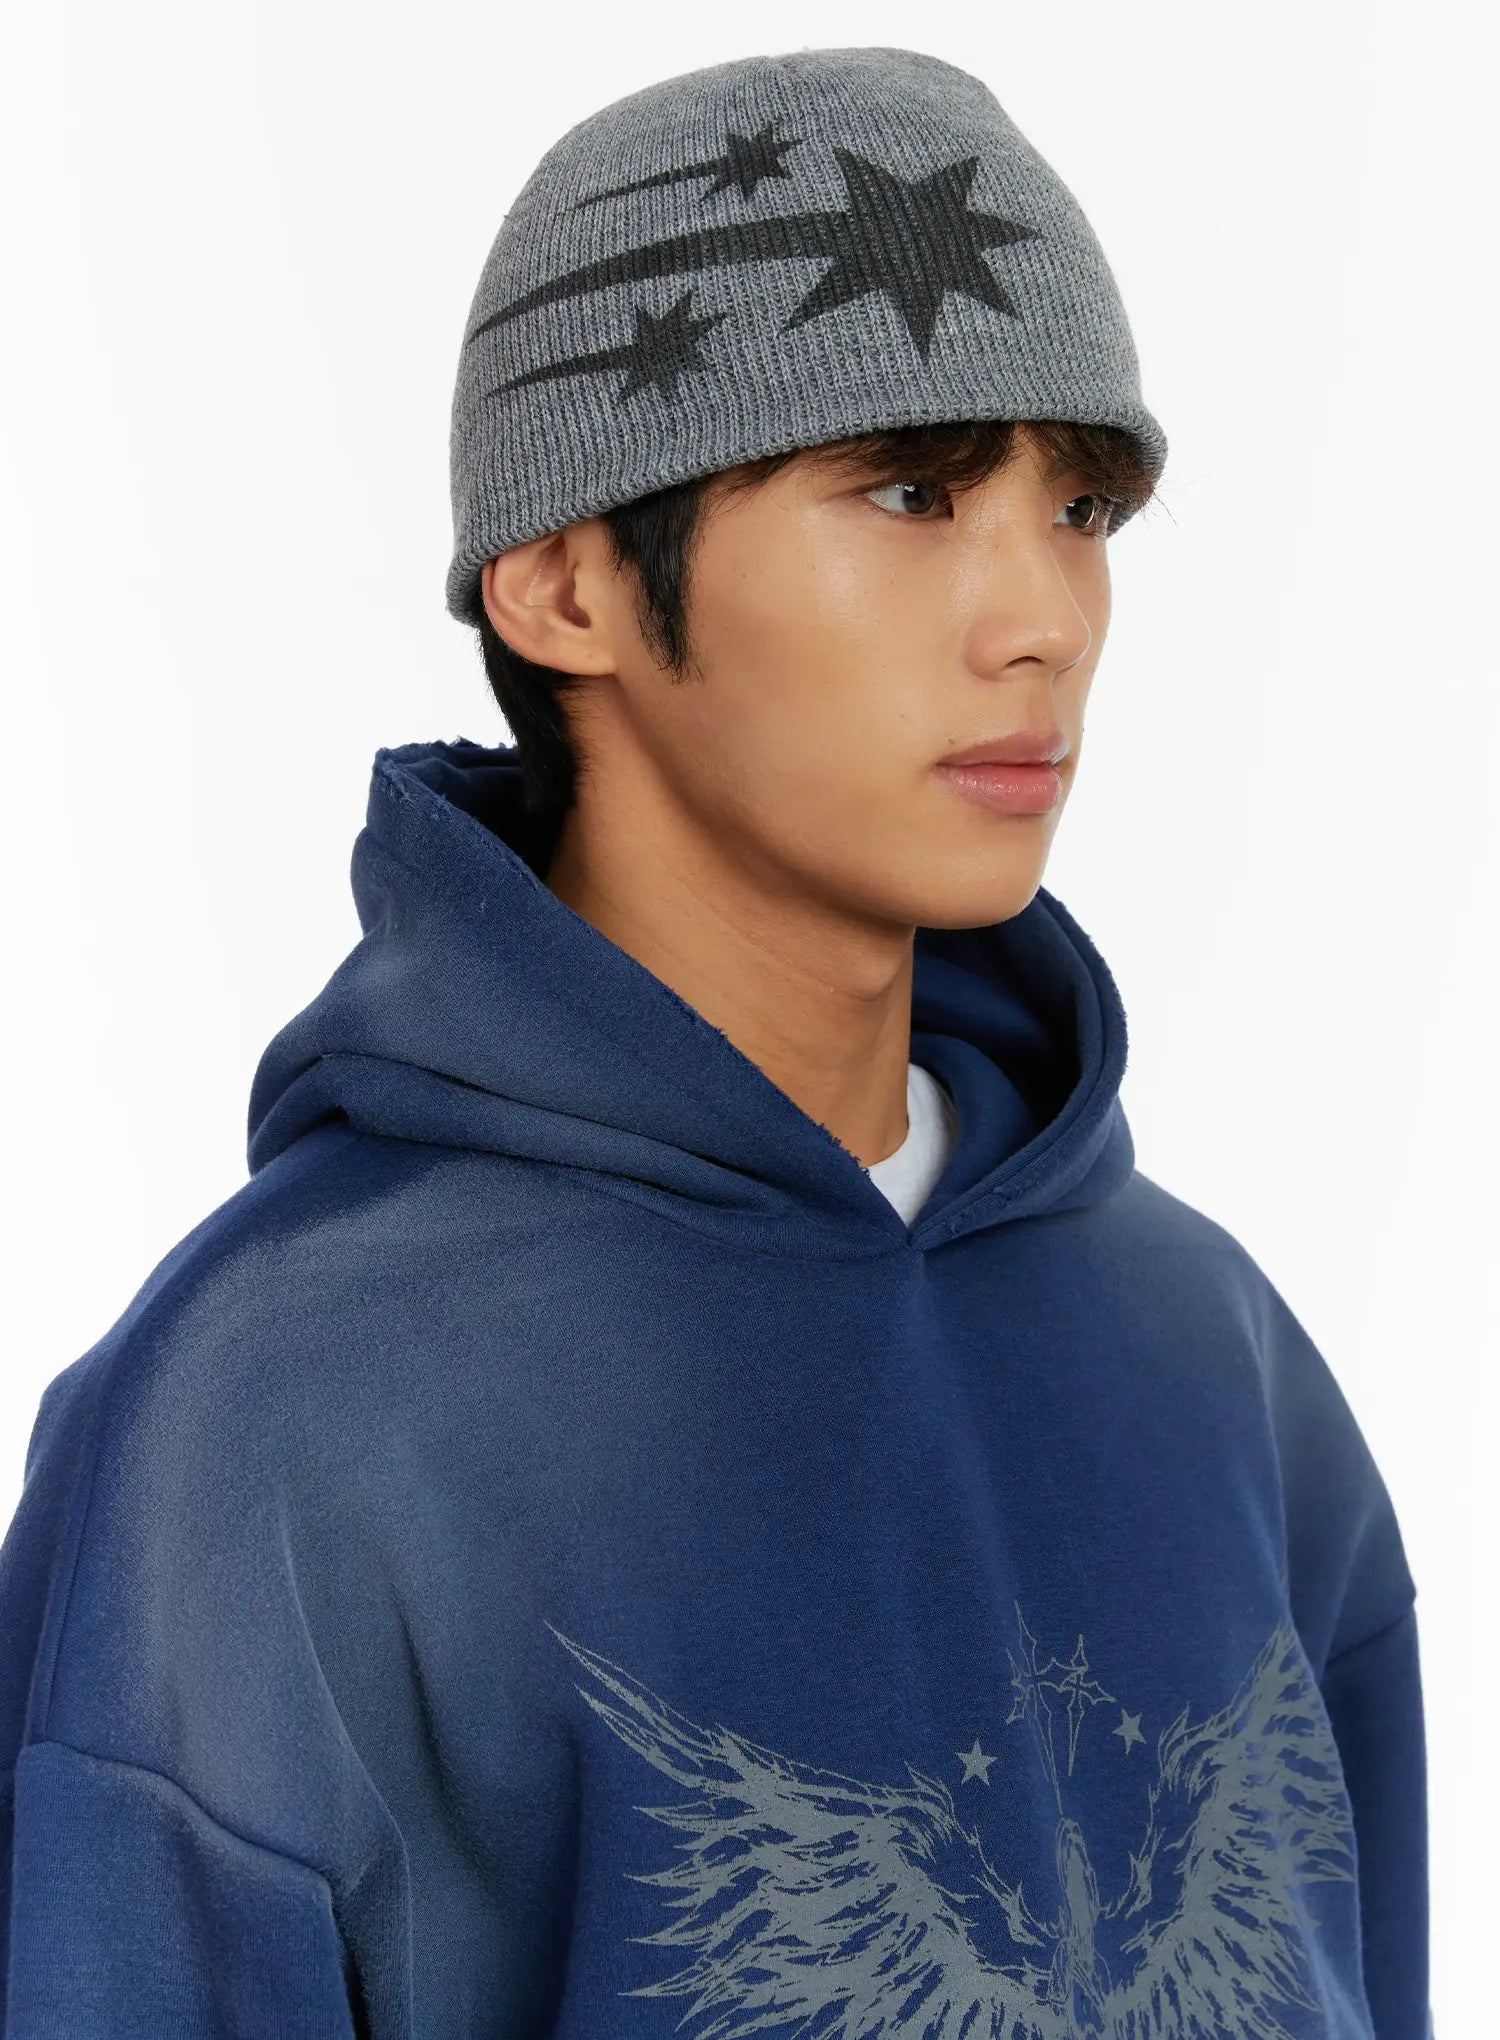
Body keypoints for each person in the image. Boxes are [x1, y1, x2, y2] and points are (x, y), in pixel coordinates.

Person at [0, 44, 1430, 2040]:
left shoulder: (1212, 1346)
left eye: (1084, 505)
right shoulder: (275, 1416)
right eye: (913, 491)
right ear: (564, 581)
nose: (1046, 616)